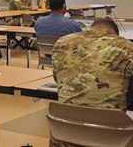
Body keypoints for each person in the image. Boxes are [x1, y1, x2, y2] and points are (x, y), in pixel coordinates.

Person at [52, 18, 133, 146]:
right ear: (114, 35)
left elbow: (57, 79)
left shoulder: (62, 42)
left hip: (64, 135)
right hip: (111, 137)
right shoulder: (126, 47)